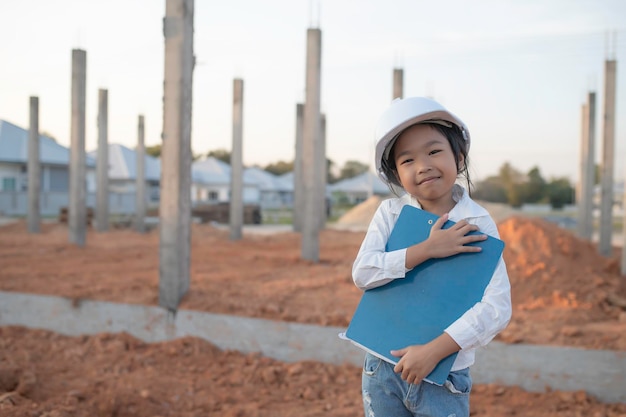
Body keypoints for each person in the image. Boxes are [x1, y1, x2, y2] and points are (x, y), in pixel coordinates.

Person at [352, 96, 511, 417]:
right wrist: (427, 249)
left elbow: (496, 308)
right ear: (395, 174)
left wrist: (434, 351)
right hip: (382, 368)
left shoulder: (476, 223)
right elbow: (364, 274)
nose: (423, 165)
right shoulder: (390, 213)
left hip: (443, 375)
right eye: (407, 160)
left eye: (434, 151)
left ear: (459, 156)